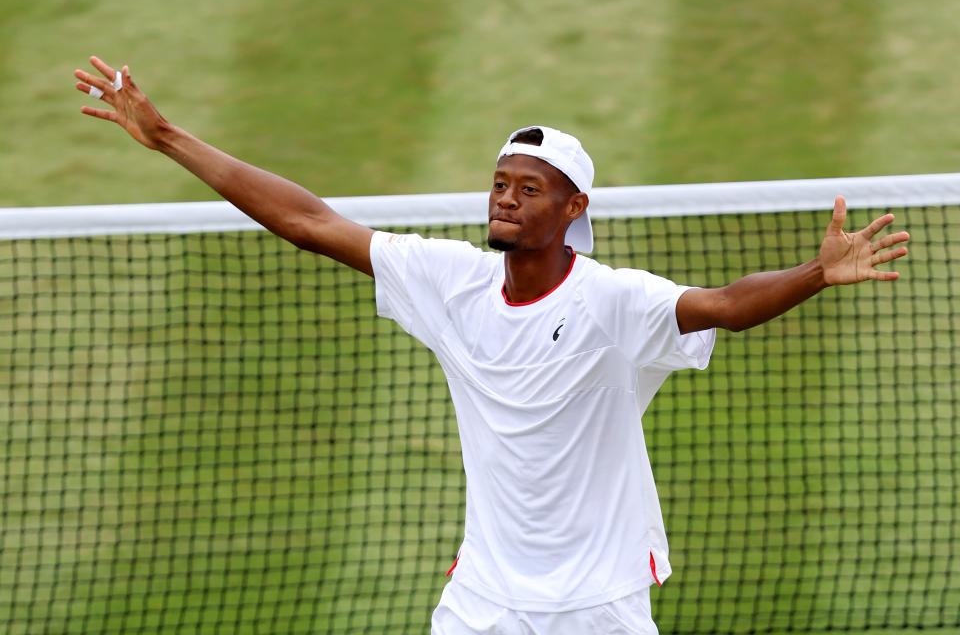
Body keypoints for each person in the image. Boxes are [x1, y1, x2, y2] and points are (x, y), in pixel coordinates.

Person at [74, 56, 909, 634]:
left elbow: (726, 305)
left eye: (529, 189)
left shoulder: (614, 302)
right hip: (485, 602)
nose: (505, 199)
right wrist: (169, 136)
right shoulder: (450, 280)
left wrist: (816, 272)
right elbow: (310, 221)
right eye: (500, 183)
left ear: (572, 206)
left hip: (599, 604)